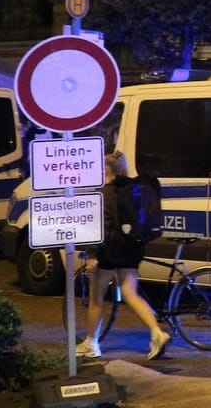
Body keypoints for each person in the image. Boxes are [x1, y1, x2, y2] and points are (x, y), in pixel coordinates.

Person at [75, 152, 171, 361]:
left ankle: (91, 343)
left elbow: (100, 226)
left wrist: (92, 253)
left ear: (106, 170)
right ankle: (157, 332)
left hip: (109, 250)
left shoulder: (104, 193)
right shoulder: (131, 189)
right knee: (130, 293)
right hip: (132, 247)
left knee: (96, 297)